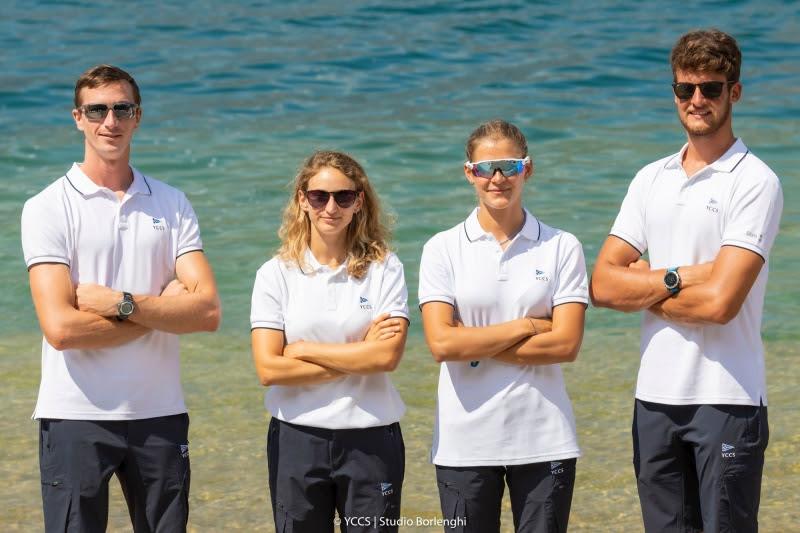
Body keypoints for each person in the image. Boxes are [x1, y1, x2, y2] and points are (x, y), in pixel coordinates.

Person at [591, 29, 783, 532]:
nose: (697, 100)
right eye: (685, 89)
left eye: (711, 89)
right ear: (674, 92)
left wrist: (646, 287)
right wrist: (683, 276)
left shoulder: (755, 181)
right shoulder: (649, 178)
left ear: (734, 92)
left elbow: (721, 305)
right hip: (654, 398)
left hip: (728, 397)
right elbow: (603, 286)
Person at [20, 64, 221, 532]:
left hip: (160, 412)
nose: (110, 121)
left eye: (121, 109)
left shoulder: (171, 202)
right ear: (78, 117)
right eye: (97, 110)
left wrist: (119, 302)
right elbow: (62, 330)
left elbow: (208, 311)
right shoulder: (47, 207)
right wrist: (164, 309)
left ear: (138, 117)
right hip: (74, 414)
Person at [418, 120, 588, 533]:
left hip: (545, 437)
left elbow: (565, 345)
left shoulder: (562, 246)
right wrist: (529, 325)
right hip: (464, 443)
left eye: (508, 167)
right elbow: (440, 344)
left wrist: (470, 340)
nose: (497, 178)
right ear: (468, 173)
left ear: (526, 169)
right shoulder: (442, 249)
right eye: (485, 168)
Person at [250, 150, 409, 532]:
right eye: (319, 196)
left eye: (344, 196)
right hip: (296, 438)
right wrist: (359, 354)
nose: (331, 207)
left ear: (360, 202)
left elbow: (386, 357)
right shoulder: (275, 274)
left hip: (372, 438)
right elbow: (269, 369)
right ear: (302, 200)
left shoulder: (385, 268)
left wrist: (303, 351)